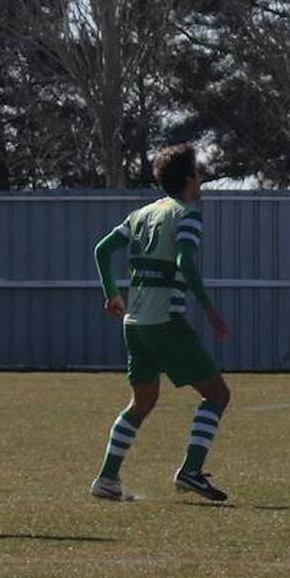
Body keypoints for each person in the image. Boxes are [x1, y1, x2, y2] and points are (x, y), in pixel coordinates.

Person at [89, 143, 232, 502]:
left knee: (142, 401)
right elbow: (184, 262)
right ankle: (191, 471)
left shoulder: (141, 214)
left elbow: (102, 250)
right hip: (164, 320)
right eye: (198, 173)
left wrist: (112, 294)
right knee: (216, 394)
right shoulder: (187, 215)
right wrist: (209, 308)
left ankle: (107, 479)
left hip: (134, 323)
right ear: (188, 178)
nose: (201, 179)